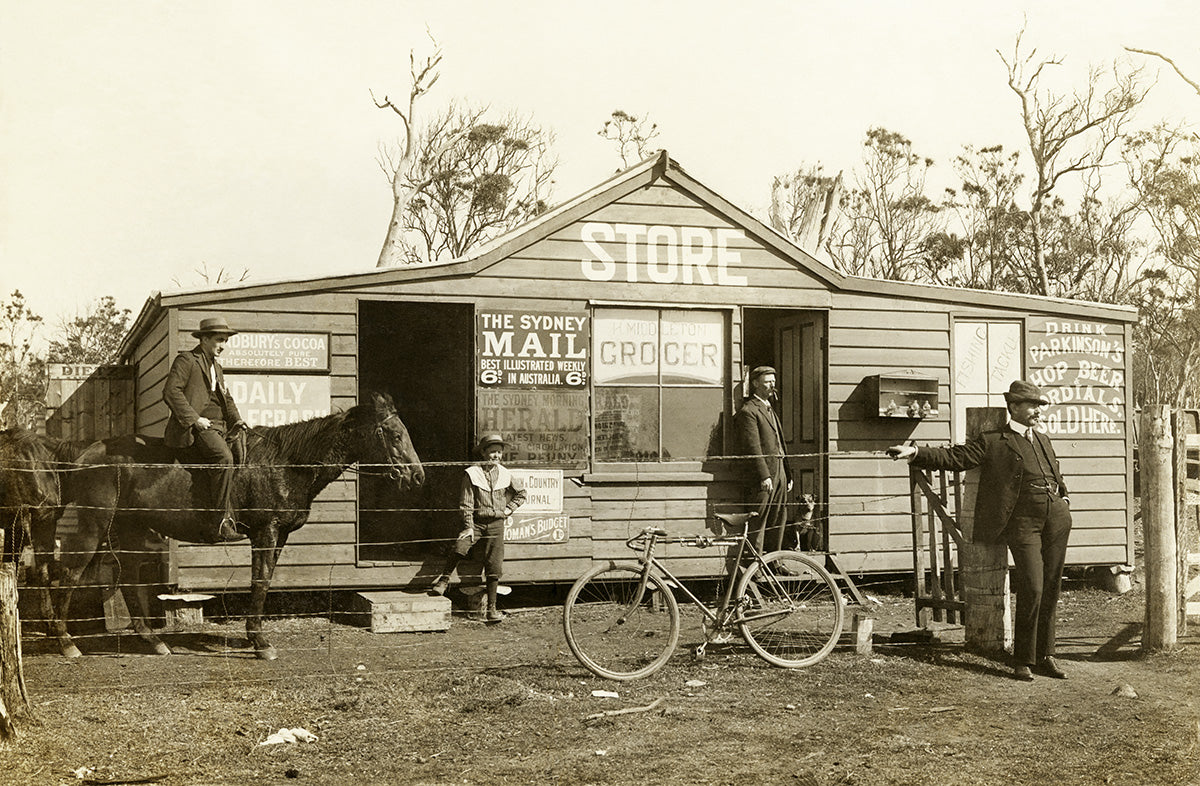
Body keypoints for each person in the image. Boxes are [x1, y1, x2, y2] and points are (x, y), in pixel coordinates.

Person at [887, 379, 1072, 682]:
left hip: (1057, 521)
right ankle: (1023, 659)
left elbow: (1055, 470)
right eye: (1032, 405)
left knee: (1052, 587)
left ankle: (1045, 656)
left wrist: (1064, 495)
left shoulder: (1043, 439)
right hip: (1022, 524)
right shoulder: (993, 440)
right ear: (1013, 407)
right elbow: (956, 457)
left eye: (1040, 405)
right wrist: (916, 452)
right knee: (1034, 586)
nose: (1038, 410)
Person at [163, 316, 248, 543]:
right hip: (198, 428)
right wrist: (194, 419)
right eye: (219, 340)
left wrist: (237, 420)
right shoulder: (187, 360)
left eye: (225, 341)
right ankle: (218, 524)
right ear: (204, 339)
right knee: (223, 458)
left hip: (220, 426)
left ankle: (231, 512)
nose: (223, 346)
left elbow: (226, 398)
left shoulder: (216, 367)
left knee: (243, 454)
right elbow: (171, 392)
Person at [429, 433, 527, 623]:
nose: (496, 456)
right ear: (483, 453)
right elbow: (466, 504)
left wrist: (508, 510)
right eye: (492, 452)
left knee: (494, 564)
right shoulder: (472, 473)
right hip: (476, 522)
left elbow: (521, 494)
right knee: (461, 546)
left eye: (499, 453)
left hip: (497, 524)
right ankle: (444, 580)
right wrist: (469, 526)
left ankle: (492, 609)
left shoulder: (505, 474)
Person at [733, 366, 793, 554]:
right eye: (767, 381)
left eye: (773, 381)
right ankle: (754, 566)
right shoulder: (749, 411)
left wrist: (788, 475)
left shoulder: (770, 410)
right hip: (765, 476)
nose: (771, 385)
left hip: (780, 472)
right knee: (759, 519)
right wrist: (764, 475)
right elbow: (753, 447)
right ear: (755, 384)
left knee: (778, 518)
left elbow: (779, 443)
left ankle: (774, 563)